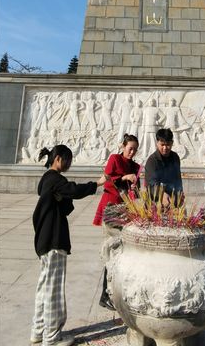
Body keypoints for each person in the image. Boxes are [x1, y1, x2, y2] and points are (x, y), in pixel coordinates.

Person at [30, 145, 105, 346]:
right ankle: (52, 338)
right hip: (54, 240)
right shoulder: (55, 179)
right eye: (68, 160)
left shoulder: (46, 180)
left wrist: (63, 198)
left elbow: (65, 201)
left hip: (44, 240)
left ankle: (38, 332)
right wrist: (97, 183)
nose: (69, 164)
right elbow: (74, 190)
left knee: (44, 287)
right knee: (53, 289)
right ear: (58, 159)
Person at [92, 134, 140, 226]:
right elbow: (107, 180)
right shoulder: (114, 158)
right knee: (112, 234)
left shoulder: (136, 166)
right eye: (130, 148)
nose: (132, 152)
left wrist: (135, 187)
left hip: (126, 204)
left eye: (135, 149)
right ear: (123, 147)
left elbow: (137, 192)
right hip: (111, 201)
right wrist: (125, 177)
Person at [143, 128, 183, 207]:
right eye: (162, 145)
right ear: (157, 143)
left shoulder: (175, 157)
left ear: (172, 143)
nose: (165, 148)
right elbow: (151, 184)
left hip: (172, 202)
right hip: (154, 203)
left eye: (167, 144)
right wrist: (162, 194)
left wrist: (180, 194)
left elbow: (178, 178)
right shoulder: (152, 161)